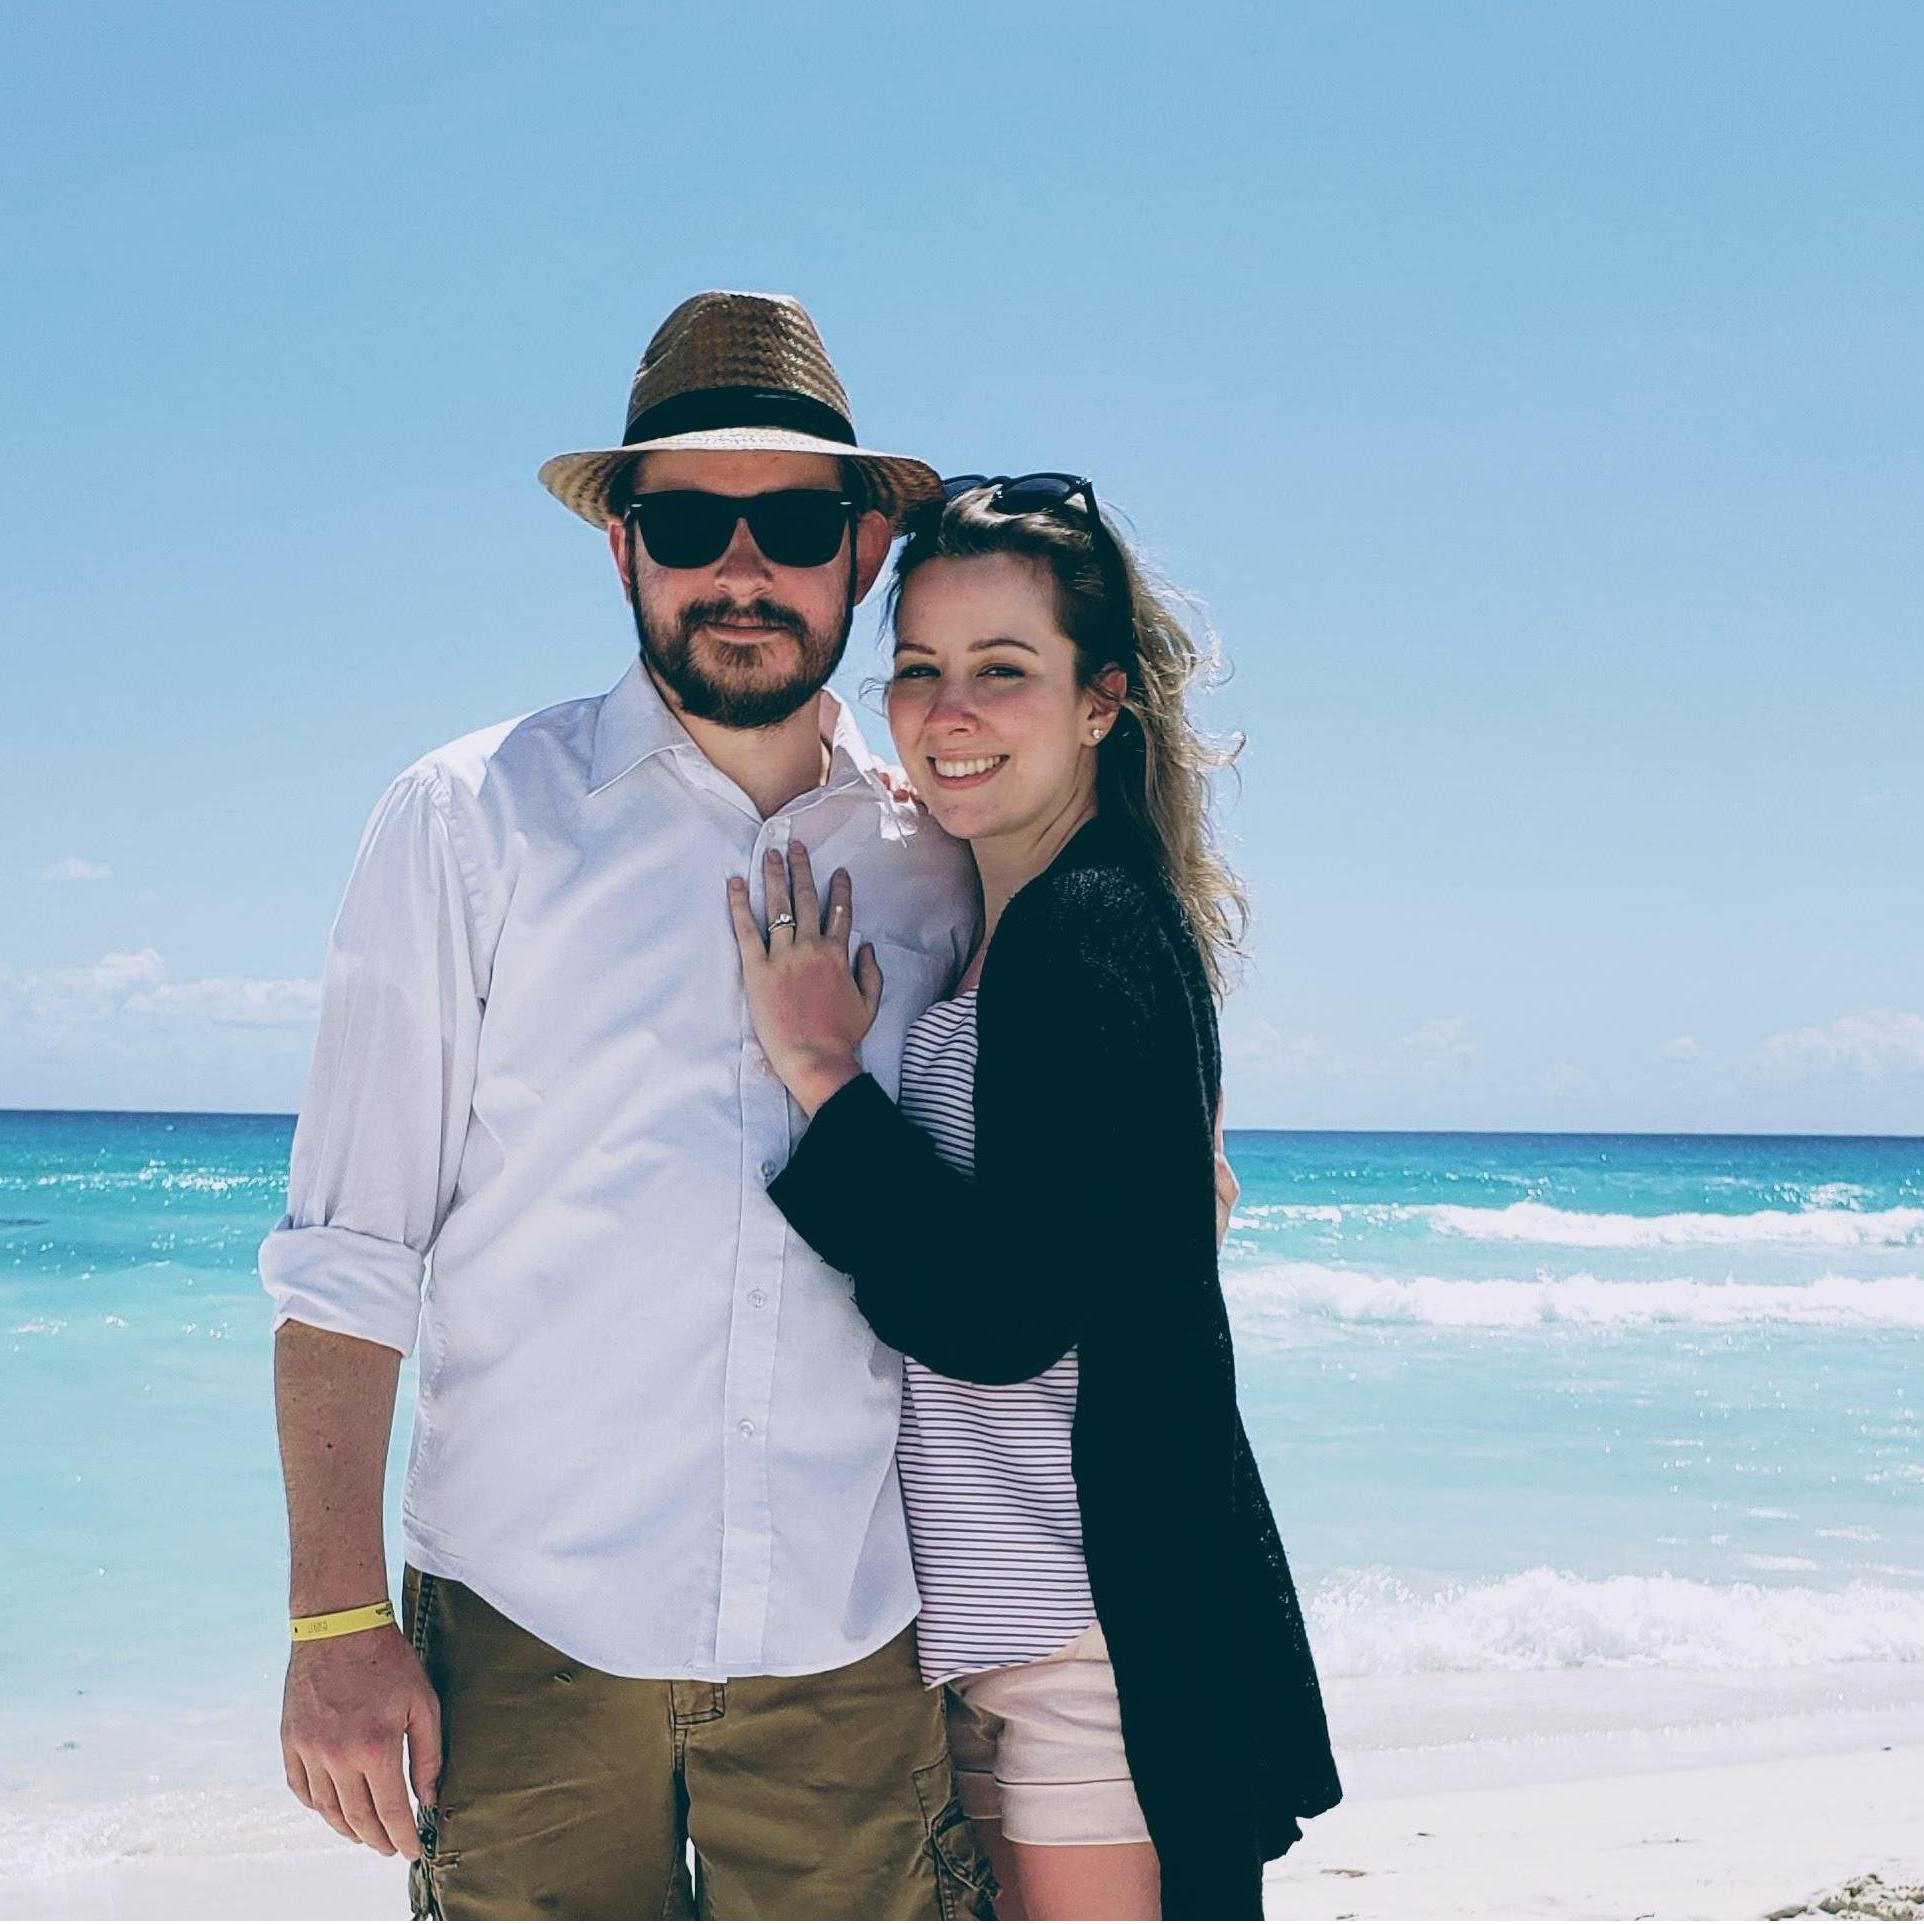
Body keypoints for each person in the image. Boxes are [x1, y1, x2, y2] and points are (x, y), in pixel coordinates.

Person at [259, 291, 998, 1919]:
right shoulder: (472, 822)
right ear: (623, 553)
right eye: (687, 520)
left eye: (793, 520)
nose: (741, 567)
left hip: (852, 1651)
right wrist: (332, 1625)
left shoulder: (942, 858)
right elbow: (349, 1253)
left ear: (863, 553)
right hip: (528, 1648)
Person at [727, 475, 1343, 1921]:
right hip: (1026, 1628)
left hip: (1090, 1642)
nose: (950, 710)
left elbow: (1002, 1313)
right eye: (922, 670)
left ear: (1100, 701)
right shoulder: (1017, 926)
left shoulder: (1089, 933)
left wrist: (824, 1079)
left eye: (1004, 671)